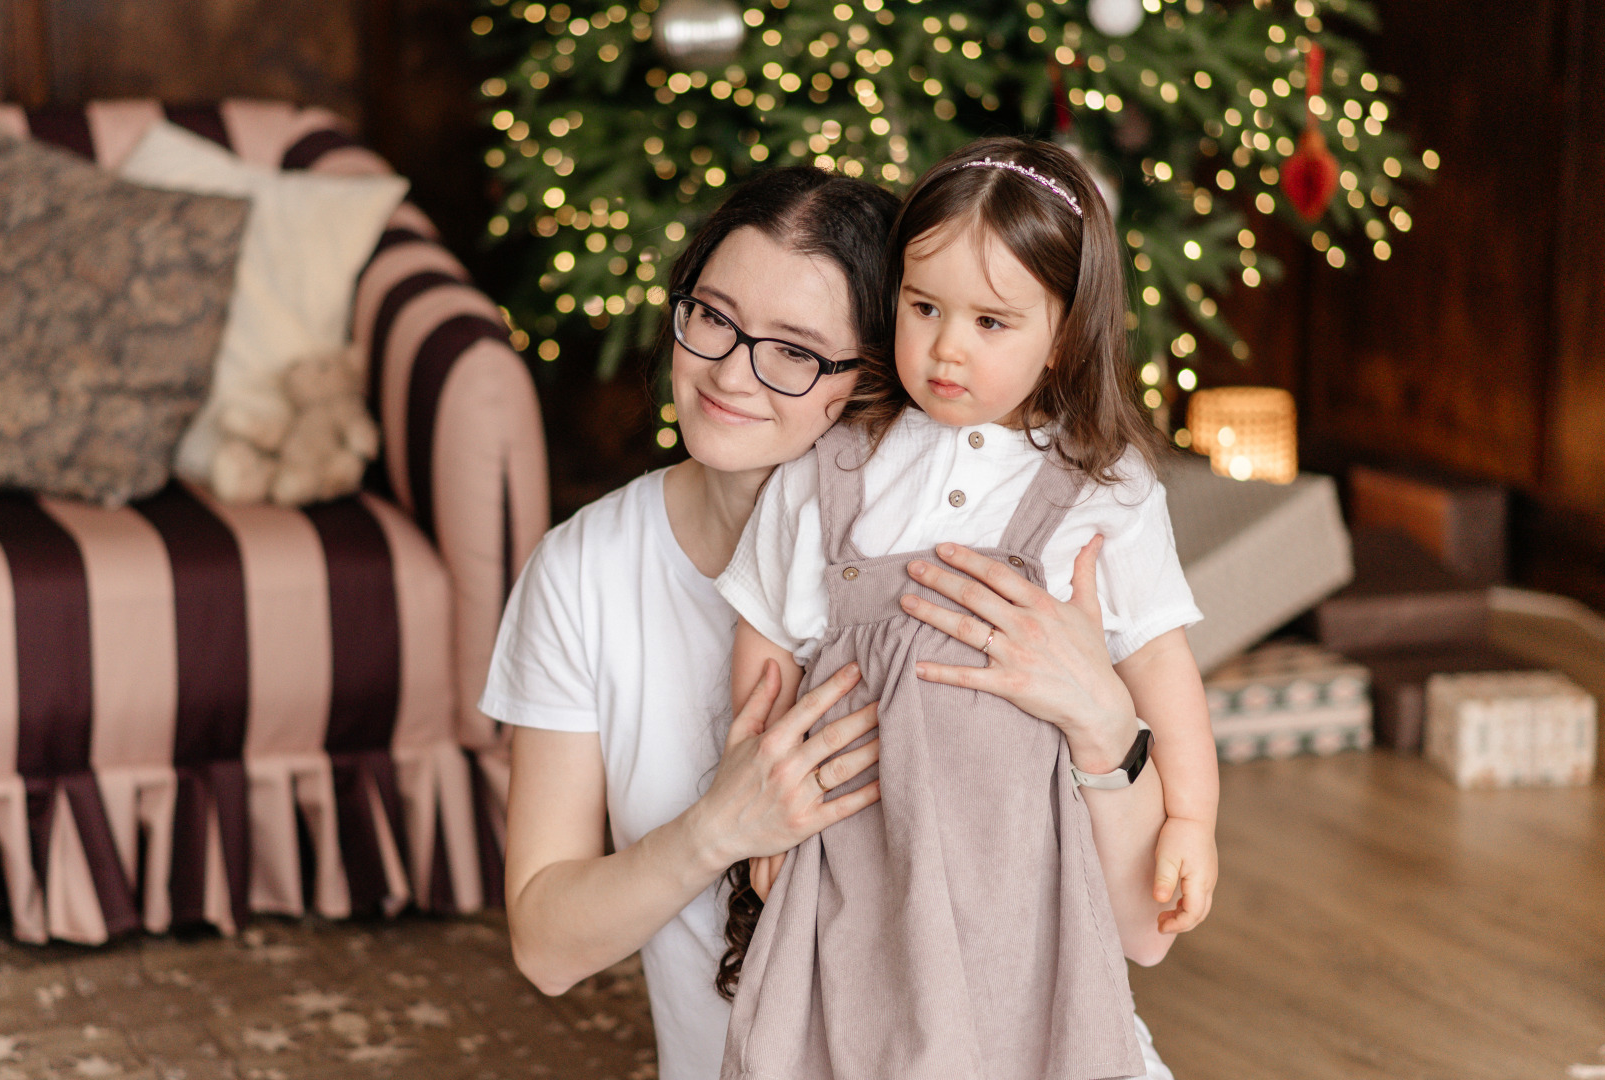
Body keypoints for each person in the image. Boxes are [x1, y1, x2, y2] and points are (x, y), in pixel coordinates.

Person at [482, 163, 1179, 1080]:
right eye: (713, 317)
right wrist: (719, 829)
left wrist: (1103, 724)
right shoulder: (583, 570)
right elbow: (545, 944)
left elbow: (1142, 936)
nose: (732, 371)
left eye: (796, 350)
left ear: (871, 377)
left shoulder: (1014, 568)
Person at [713, 138, 1217, 1080]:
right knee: (835, 1025)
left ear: (1062, 334)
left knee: (1016, 1028)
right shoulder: (836, 466)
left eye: (992, 321)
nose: (947, 345)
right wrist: (759, 819)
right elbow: (765, 648)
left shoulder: (1103, 491)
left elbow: (1161, 672)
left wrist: (1188, 819)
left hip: (1020, 864)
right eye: (923, 307)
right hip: (856, 843)